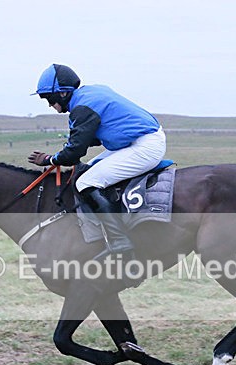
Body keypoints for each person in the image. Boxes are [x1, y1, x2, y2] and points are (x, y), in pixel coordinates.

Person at [28, 64, 166, 261]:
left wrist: (49, 159)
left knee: (86, 183)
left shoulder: (82, 107)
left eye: (49, 98)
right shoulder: (89, 94)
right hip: (137, 141)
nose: (50, 104)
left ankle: (120, 240)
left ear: (63, 94)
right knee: (87, 172)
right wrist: (70, 147)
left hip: (145, 146)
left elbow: (74, 153)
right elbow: (87, 139)